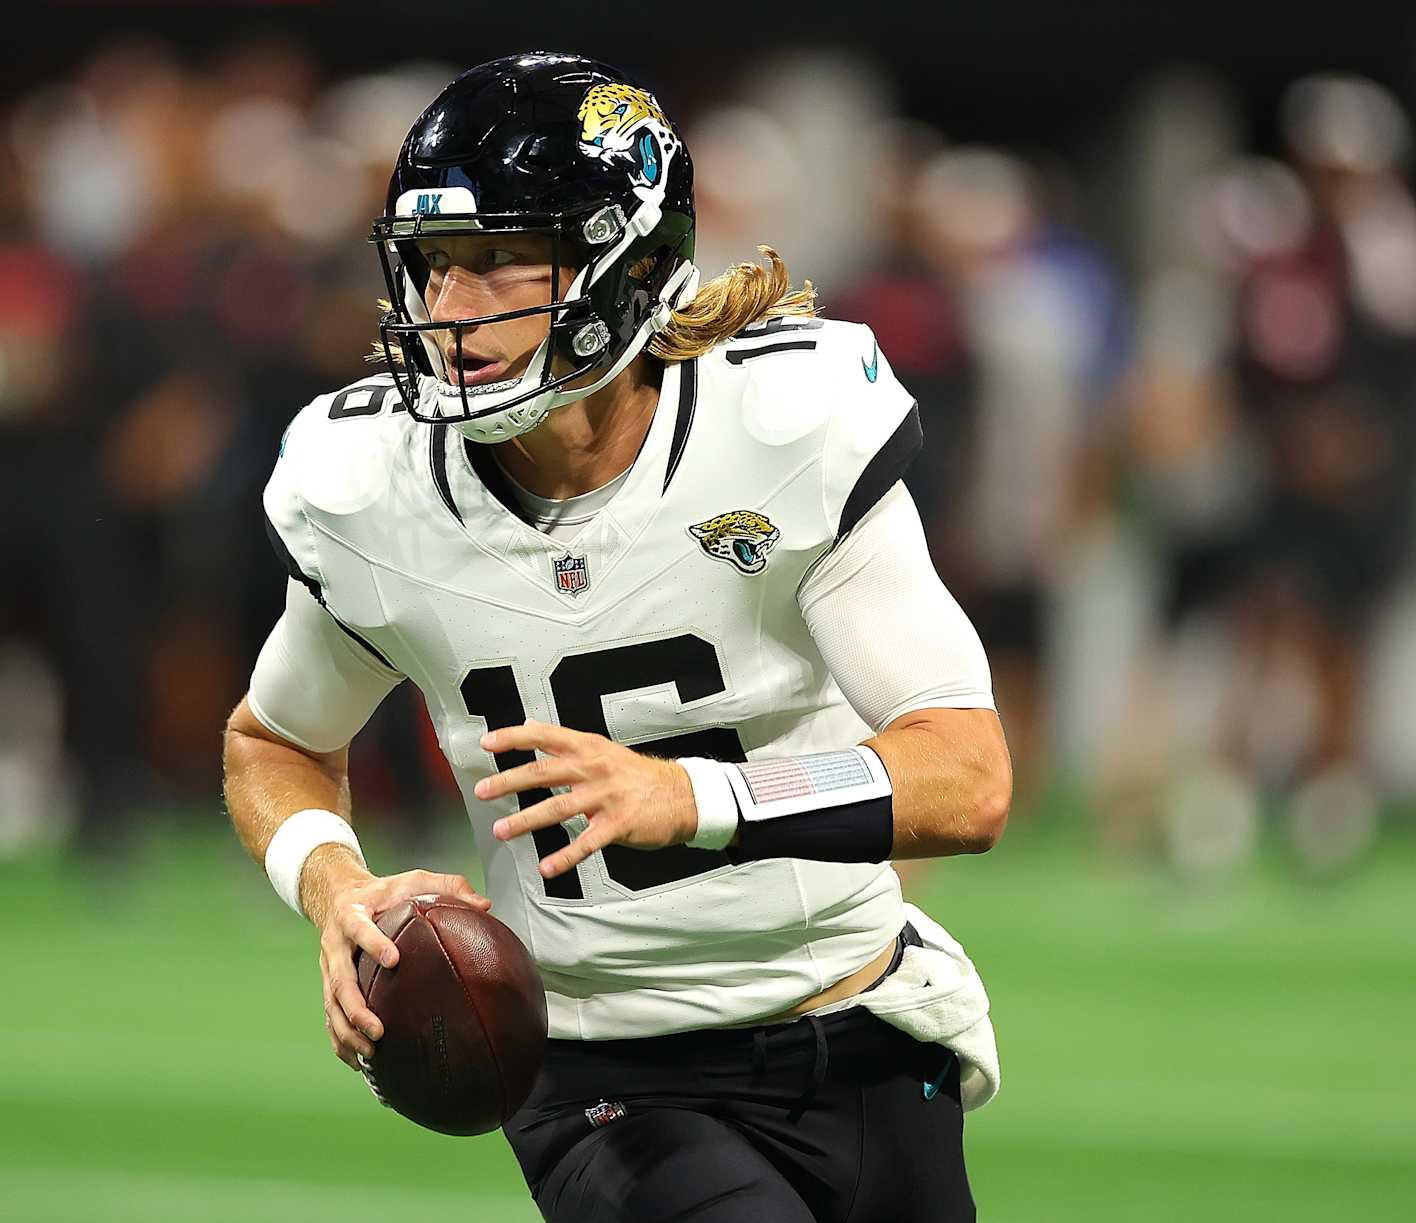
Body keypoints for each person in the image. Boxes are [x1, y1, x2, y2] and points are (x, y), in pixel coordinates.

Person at [225, 53, 1010, 1221]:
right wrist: (330, 882)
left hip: (867, 1038)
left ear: (626, 261)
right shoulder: (370, 486)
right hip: (606, 1073)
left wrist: (692, 796)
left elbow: (968, 772)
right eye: (435, 265)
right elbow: (272, 739)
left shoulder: (784, 426)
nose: (451, 311)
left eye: (498, 260)